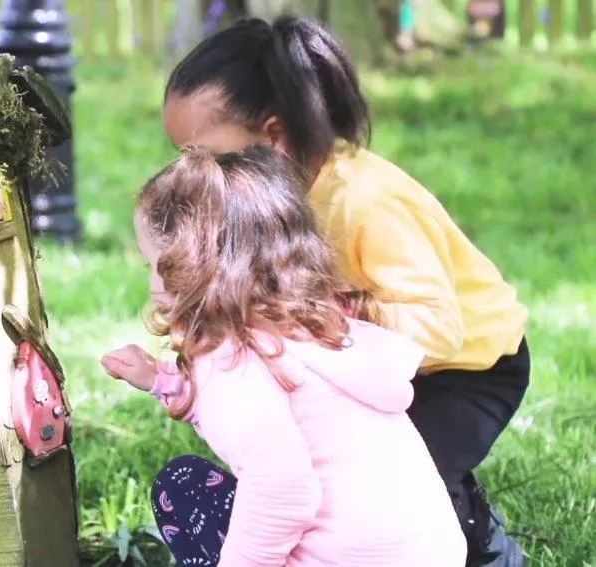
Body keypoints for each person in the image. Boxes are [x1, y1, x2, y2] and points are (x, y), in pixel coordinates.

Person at [157, 15, 530, 567]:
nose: (193, 174)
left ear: (275, 135)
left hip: (468, 368)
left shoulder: (365, 202)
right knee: (343, 476)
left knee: (410, 478)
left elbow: (440, 327)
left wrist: (346, 313)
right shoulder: (275, 200)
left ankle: (486, 548)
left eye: (204, 156)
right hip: (375, 367)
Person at [101, 146, 465, 566]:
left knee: (183, 488)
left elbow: (283, 491)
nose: (152, 284)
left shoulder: (228, 357)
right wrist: (168, 384)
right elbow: (265, 416)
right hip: (431, 554)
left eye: (155, 265)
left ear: (194, 266)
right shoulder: (311, 328)